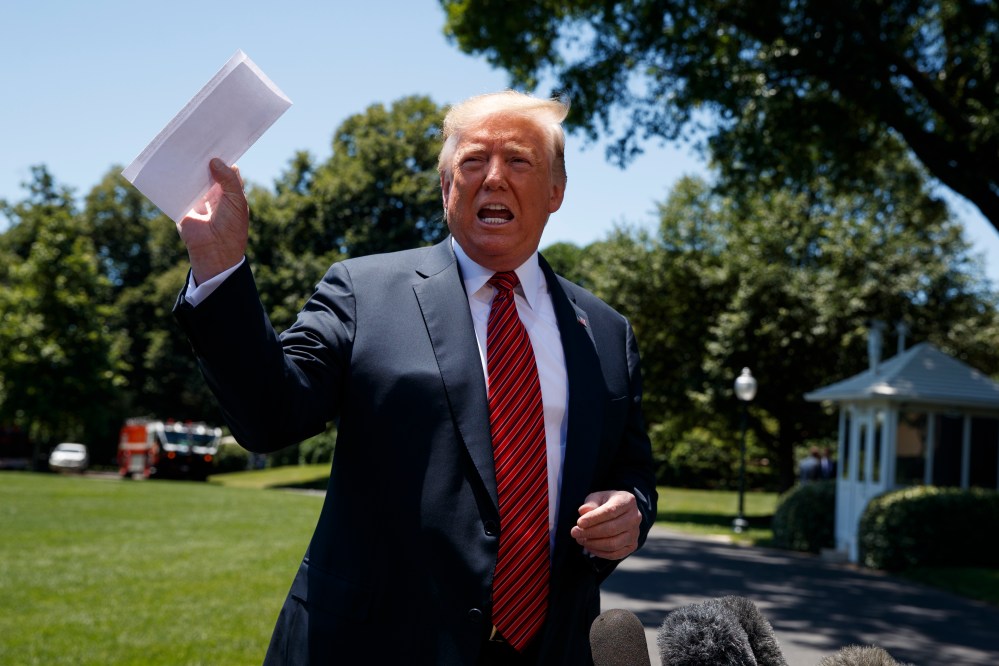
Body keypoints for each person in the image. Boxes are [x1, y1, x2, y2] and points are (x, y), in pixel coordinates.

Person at [173, 90, 657, 665]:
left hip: (552, 649)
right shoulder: (362, 291)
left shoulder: (605, 331)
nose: (494, 178)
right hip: (372, 647)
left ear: (556, 191)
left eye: (519, 161)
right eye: (472, 161)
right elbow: (269, 414)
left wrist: (633, 509)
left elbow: (633, 472)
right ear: (447, 186)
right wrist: (220, 267)